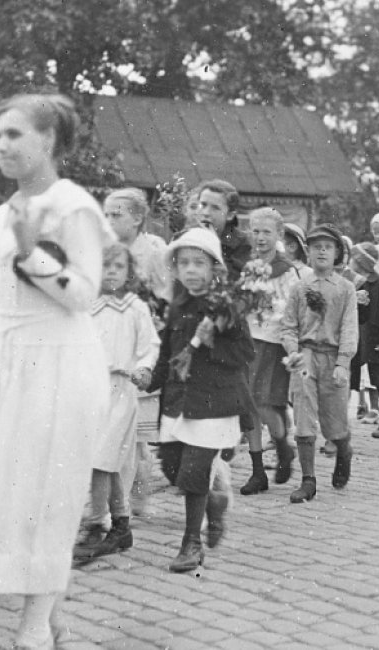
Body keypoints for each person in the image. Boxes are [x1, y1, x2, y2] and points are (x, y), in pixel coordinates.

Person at [0, 93, 115, 648]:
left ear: (48, 141)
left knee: (45, 493)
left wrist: (33, 256)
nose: (1, 146)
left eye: (15, 135)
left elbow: (85, 295)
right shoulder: (2, 213)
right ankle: (53, 612)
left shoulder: (73, 207)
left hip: (59, 364)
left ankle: (35, 626)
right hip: (6, 361)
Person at [147, 228, 255, 571]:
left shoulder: (227, 308)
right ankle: (214, 503)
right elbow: (168, 353)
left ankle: (191, 543)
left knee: (194, 471)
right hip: (179, 401)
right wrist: (151, 378)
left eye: (199, 263)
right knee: (172, 466)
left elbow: (244, 352)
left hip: (212, 403)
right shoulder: (179, 308)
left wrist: (213, 343)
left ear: (214, 269)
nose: (191, 270)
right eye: (183, 264)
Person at [73, 245, 160, 565]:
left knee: (102, 460)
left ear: (129, 271)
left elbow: (149, 344)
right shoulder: (88, 307)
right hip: (92, 390)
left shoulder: (135, 308)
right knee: (99, 461)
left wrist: (144, 367)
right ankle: (120, 524)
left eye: (118, 266)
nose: (111, 271)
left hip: (122, 390)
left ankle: (98, 524)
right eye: (104, 265)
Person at [280, 225, 360, 502]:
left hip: (333, 357)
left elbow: (349, 328)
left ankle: (343, 447)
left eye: (327, 246)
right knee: (303, 413)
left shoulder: (346, 289)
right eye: (316, 247)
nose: (321, 251)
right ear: (309, 253)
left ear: (337, 252)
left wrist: (343, 362)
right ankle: (308, 479)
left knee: (333, 419)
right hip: (306, 357)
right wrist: (292, 350)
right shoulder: (299, 287)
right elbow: (288, 325)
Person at [105, 188, 169, 518]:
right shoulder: (106, 252)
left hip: (145, 343)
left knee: (142, 432)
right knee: (119, 428)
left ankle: (138, 496)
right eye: (106, 214)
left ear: (138, 218)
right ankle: (123, 499)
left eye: (116, 214)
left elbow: (167, 296)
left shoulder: (154, 251)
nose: (109, 220)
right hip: (115, 344)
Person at [238, 208, 303, 496]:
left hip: (273, 342)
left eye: (266, 232)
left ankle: (282, 445)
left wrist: (267, 307)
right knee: (247, 406)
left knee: (264, 404)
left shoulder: (287, 271)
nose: (260, 237)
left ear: (278, 235)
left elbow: (293, 307)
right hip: (248, 342)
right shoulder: (249, 267)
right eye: (255, 231)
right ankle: (256, 472)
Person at [349, 242, 379, 427]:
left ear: (361, 262)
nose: (350, 261)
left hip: (378, 341)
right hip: (361, 340)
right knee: (361, 378)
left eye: (354, 258)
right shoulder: (354, 283)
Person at [186, 179, 253, 280]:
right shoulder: (186, 237)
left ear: (230, 215)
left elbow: (232, 279)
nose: (206, 212)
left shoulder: (241, 243)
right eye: (203, 205)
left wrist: (213, 244)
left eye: (215, 208)